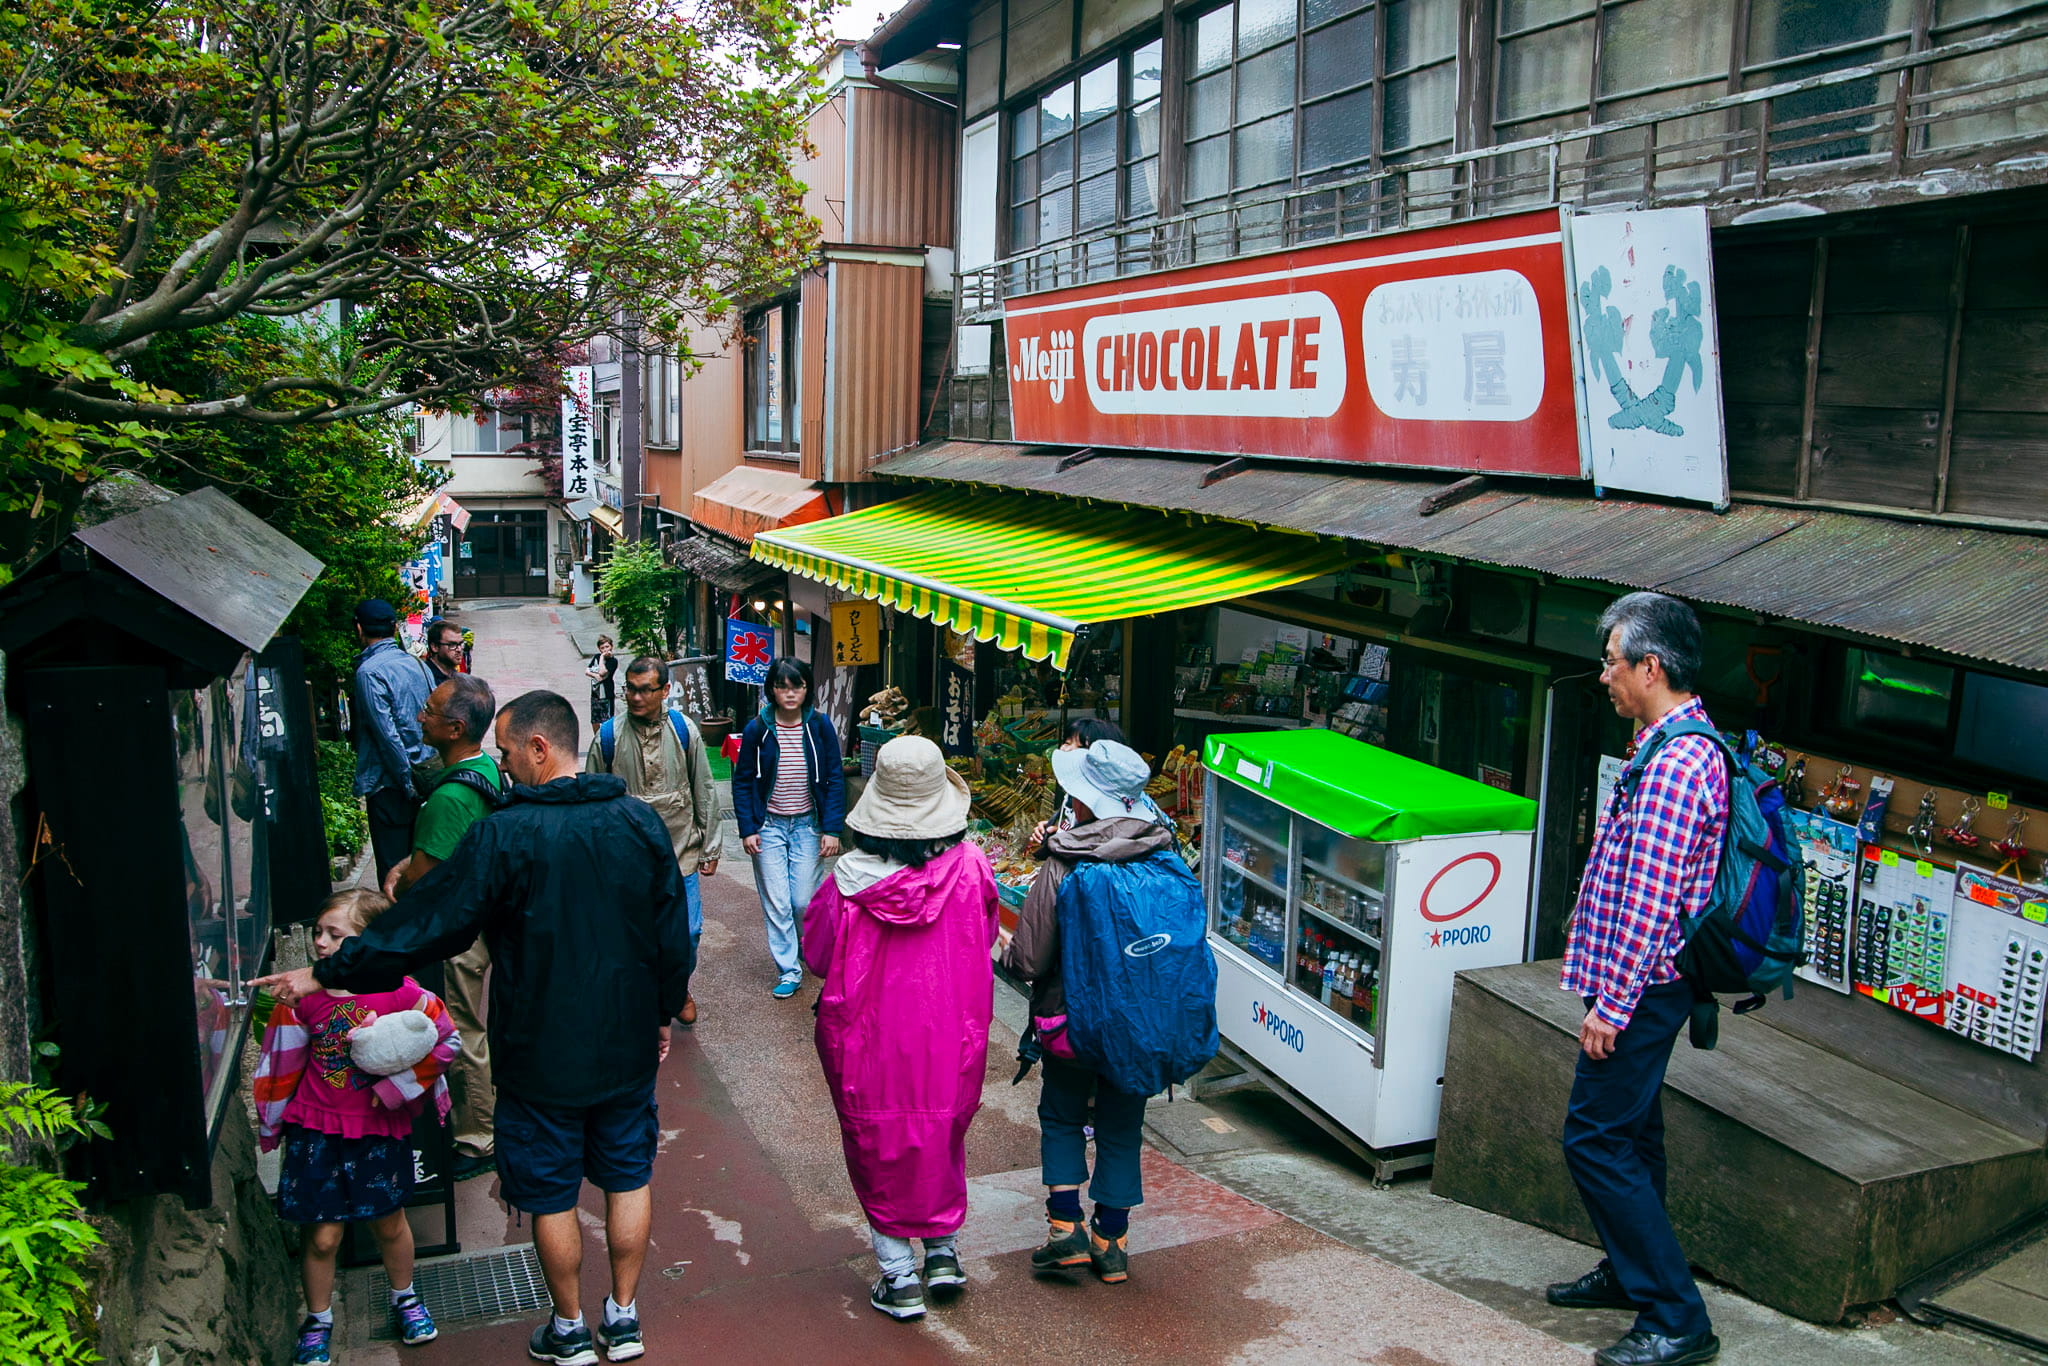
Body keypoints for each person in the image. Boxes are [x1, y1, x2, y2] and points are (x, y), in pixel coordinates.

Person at [256, 690, 694, 1366]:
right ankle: (625, 1318)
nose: (505, 765)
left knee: (551, 1194)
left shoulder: (504, 834)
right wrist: (662, 1012)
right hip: (625, 1040)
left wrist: (334, 969)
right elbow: (673, 940)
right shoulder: (639, 824)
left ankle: (571, 1329)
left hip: (538, 1050)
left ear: (540, 748)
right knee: (627, 1176)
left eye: (511, 751)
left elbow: (432, 922)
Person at [1548, 592, 1726, 1366]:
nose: (1603, 677)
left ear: (1650, 667)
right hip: (1644, 981)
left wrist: (1612, 1004)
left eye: (1611, 662)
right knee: (1632, 1132)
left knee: (1592, 1140)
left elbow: (1654, 899)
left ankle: (1677, 1318)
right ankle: (1631, 1275)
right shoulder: (1669, 744)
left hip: (1645, 987)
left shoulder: (1679, 763)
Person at [801, 736, 999, 1322]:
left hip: (867, 1040)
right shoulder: (971, 869)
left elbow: (816, 954)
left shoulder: (846, 883)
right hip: (951, 1034)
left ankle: (898, 1276)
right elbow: (983, 938)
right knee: (943, 1135)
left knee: (875, 1144)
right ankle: (942, 1254)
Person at [252, 888, 459, 1364]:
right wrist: (272, 1123)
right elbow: (278, 1064)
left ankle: (404, 1297)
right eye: (318, 933)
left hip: (376, 1127)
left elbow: (446, 1041)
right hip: (315, 1128)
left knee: (389, 1223)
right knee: (322, 1234)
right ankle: (317, 1319)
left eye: (336, 935)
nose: (321, 944)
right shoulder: (301, 999)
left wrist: (397, 1088)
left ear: (370, 942)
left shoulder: (403, 993)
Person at [1002, 739, 1176, 1286]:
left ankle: (1065, 1231)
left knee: (1061, 1115)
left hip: (1071, 1022)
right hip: (1140, 1024)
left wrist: (1002, 951)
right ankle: (1112, 1241)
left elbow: (1030, 958)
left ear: (1081, 802)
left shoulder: (1064, 864)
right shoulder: (1167, 856)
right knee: (1122, 1126)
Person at [383, 674, 506, 1182]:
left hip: (457, 933)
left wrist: (402, 875)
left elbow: (426, 879)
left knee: (458, 1028)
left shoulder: (450, 798)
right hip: (481, 920)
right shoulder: (487, 770)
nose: (419, 718)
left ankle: (477, 1137)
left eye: (429, 712)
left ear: (455, 728)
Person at [587, 655, 722, 1026]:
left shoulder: (684, 731)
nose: (635, 697)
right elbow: (592, 801)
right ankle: (643, 999)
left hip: (682, 853)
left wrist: (710, 845)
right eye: (630, 689)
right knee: (633, 937)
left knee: (689, 932)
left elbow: (704, 789)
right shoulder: (609, 737)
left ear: (664, 690)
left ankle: (678, 988)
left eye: (646, 689)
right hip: (626, 860)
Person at [733, 657, 846, 999]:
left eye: (796, 685)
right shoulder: (758, 728)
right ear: (772, 690)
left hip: (808, 825)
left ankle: (805, 948)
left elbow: (835, 777)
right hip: (768, 825)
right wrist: (747, 827)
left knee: (802, 902)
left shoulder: (820, 726)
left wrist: (832, 828)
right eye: (782, 686)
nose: (789, 693)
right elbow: (742, 781)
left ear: (807, 688)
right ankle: (788, 968)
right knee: (777, 901)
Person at [350, 598, 435, 885]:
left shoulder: (369, 672)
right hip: (425, 778)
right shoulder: (417, 665)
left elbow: (386, 735)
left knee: (393, 876)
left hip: (391, 785)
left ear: (359, 629)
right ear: (393, 628)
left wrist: (407, 782)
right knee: (421, 867)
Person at [1030, 716, 1130, 856]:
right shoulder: (1074, 793)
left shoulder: (1106, 806)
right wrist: (1055, 829)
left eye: (1081, 747)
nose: (1068, 750)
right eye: (1067, 742)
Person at [586, 635, 619, 728]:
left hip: (606, 693)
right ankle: (597, 739)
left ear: (611, 646)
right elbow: (587, 671)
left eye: (607, 647)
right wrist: (595, 675)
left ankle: (607, 739)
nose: (605, 650)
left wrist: (602, 658)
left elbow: (602, 672)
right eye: (602, 648)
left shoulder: (613, 661)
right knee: (595, 719)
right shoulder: (596, 657)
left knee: (607, 719)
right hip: (596, 693)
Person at [423, 618, 467, 685]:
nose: (459, 649)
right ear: (435, 647)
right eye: (452, 645)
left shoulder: (456, 677)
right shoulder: (426, 678)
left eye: (461, 644)